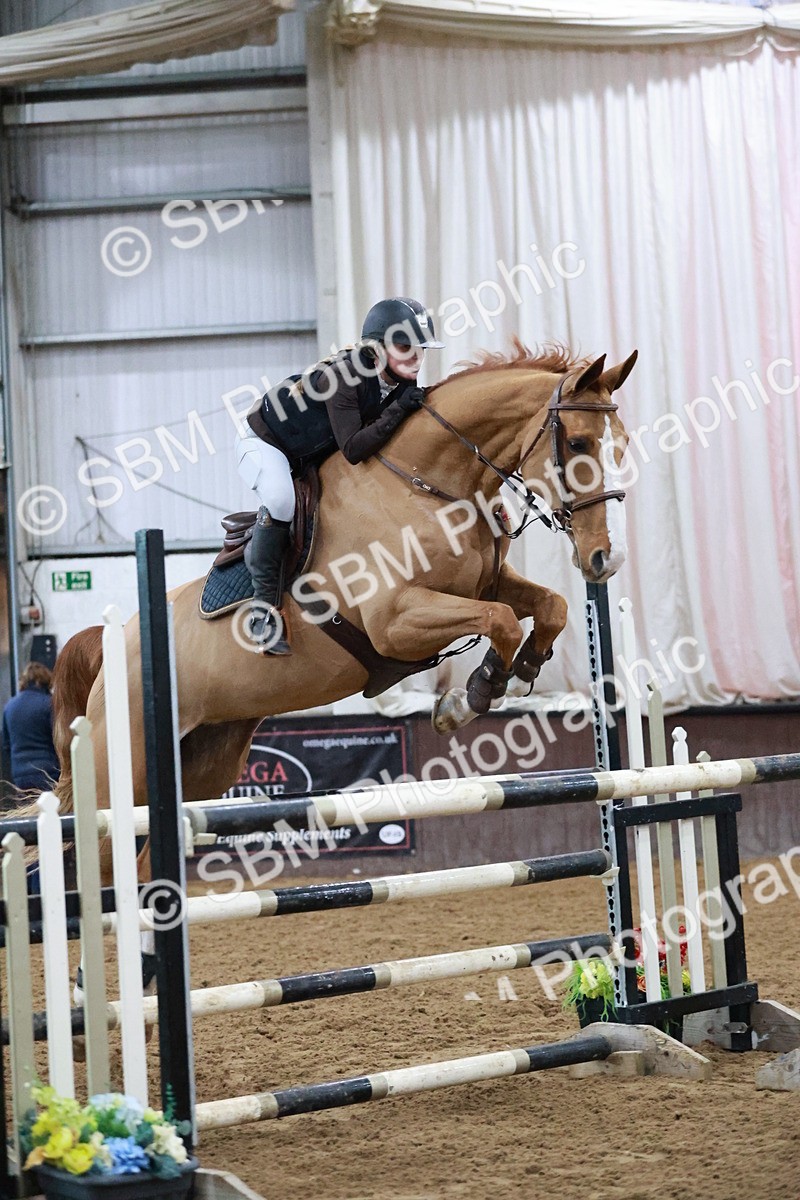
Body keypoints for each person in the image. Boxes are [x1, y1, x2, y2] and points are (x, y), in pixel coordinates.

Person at [236, 296, 444, 654]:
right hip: (266, 442)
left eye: (420, 348)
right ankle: (263, 611)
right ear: (377, 348)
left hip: (313, 448)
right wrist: (398, 412)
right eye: (405, 346)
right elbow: (353, 449)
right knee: (282, 501)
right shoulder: (344, 376)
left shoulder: (400, 379)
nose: (416, 357)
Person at [2, 662, 60, 794]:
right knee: (51, 810)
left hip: (20, 775)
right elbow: (57, 738)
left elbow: (6, 745)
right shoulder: (49, 704)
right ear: (44, 681)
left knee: (28, 812)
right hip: (48, 771)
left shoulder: (10, 707)